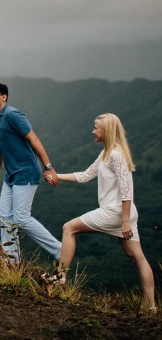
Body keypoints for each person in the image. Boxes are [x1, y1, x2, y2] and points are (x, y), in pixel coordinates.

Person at [46, 113, 156, 311]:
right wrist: (57, 176)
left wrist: (124, 221)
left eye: (96, 127)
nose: (93, 131)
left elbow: (127, 190)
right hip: (123, 213)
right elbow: (86, 176)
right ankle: (150, 306)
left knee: (69, 228)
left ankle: (59, 277)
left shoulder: (116, 155)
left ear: (106, 131)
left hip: (116, 212)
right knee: (137, 257)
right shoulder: (106, 152)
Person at [0, 80, 61, 264]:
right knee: (3, 213)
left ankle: (59, 250)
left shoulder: (12, 115)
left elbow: (34, 139)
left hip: (26, 173)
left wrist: (48, 167)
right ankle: (11, 259)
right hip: (11, 176)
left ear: (4, 96)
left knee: (22, 218)